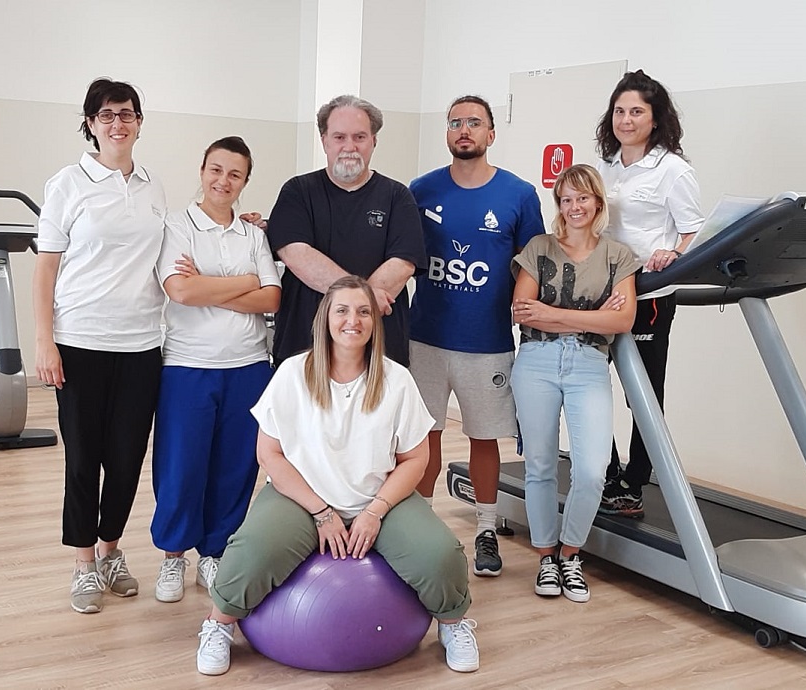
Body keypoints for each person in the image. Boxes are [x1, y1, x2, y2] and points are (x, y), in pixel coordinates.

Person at [194, 275, 479, 676]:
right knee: (250, 552)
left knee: (441, 554)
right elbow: (269, 454)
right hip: (301, 497)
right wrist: (321, 512)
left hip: (379, 497)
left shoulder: (396, 379)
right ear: (325, 318)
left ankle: (453, 624)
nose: (353, 320)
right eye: (342, 310)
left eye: (363, 311)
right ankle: (218, 625)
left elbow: (416, 459)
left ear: (375, 322)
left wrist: (376, 510)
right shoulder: (293, 373)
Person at [34, 78, 166, 613]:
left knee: (128, 456)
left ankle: (112, 549)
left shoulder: (155, 187)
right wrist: (45, 342)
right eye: (106, 114)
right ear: (90, 123)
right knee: (84, 456)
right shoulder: (68, 183)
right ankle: (84, 562)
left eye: (127, 113)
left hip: (141, 345)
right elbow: (46, 271)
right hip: (80, 341)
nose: (118, 123)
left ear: (139, 121)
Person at [408, 95, 544, 577]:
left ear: (490, 134)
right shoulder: (420, 190)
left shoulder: (519, 194)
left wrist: (528, 314)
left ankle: (486, 530)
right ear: (447, 132)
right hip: (423, 337)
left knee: (485, 439)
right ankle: (420, 528)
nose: (464, 130)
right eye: (455, 123)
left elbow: (533, 264)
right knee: (425, 434)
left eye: (474, 123)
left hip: (487, 342)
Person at [150, 136, 281, 604]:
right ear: (202, 171)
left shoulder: (254, 234)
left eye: (235, 174)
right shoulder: (176, 226)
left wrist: (210, 284)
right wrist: (244, 281)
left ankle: (215, 552)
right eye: (216, 170)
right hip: (188, 365)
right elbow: (180, 292)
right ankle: (172, 555)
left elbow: (272, 297)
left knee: (234, 466)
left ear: (245, 181)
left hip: (248, 366)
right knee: (181, 465)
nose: (223, 181)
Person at [511, 164, 638, 602]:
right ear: (559, 205)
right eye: (566, 199)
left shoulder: (618, 255)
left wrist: (555, 315)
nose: (574, 207)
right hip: (536, 362)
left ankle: (571, 554)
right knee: (541, 467)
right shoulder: (539, 247)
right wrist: (592, 315)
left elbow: (623, 319)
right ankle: (548, 558)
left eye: (582, 198)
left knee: (591, 470)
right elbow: (522, 310)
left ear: (597, 202)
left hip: (588, 364)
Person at [594, 70, 705, 518]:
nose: (626, 119)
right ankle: (606, 470)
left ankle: (635, 481)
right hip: (601, 291)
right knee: (589, 383)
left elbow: (694, 229)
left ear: (655, 119)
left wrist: (671, 253)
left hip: (649, 293)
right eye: (620, 111)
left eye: (636, 111)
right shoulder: (606, 165)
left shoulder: (673, 170)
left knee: (641, 391)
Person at [267, 94, 425, 367]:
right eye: (339, 137)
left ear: (374, 141)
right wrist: (364, 299)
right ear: (324, 140)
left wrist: (353, 303)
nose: (349, 146)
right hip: (304, 345)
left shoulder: (397, 196)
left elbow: (403, 263)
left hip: (378, 349)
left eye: (360, 137)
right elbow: (297, 254)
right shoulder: (297, 192)